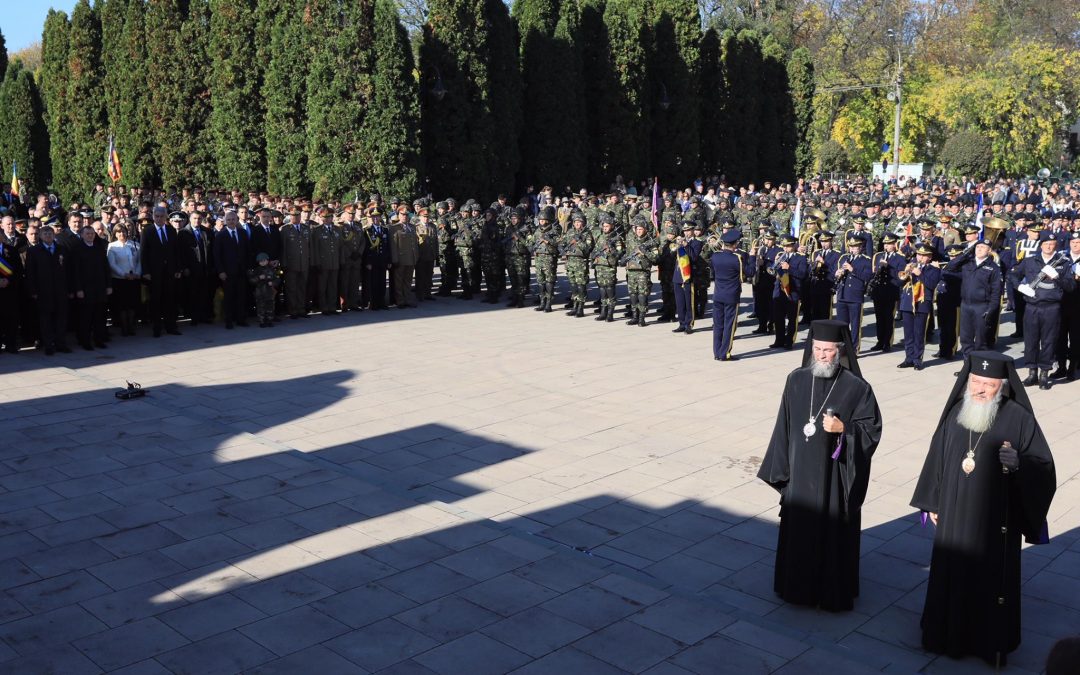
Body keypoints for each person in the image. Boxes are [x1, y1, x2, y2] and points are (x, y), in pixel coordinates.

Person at [911, 352, 1056, 667]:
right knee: (951, 572)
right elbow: (939, 453)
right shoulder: (957, 413)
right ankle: (943, 634)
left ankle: (986, 642)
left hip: (994, 521)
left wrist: (1020, 464)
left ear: (1002, 387)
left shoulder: (1019, 418)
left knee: (987, 582)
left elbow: (1043, 467)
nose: (978, 389)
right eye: (975, 382)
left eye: (987, 385)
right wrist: (932, 500)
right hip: (953, 512)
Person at [757, 320, 882, 611]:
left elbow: (872, 429)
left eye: (827, 350)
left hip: (833, 481)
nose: (822, 356)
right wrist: (782, 471)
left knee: (830, 533)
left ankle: (829, 592)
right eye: (817, 349)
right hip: (800, 475)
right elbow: (783, 426)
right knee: (799, 531)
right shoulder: (797, 379)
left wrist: (844, 429)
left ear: (840, 351)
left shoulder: (857, 388)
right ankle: (795, 587)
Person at [1010, 231, 1074, 389]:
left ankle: (1044, 374)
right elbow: (1013, 275)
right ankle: (1032, 373)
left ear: (1056, 246)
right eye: (1046, 244)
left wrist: (1057, 277)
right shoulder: (1030, 260)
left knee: (1049, 342)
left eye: (1052, 244)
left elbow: (1071, 286)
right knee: (1031, 341)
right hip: (1032, 306)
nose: (1049, 246)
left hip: (1052, 308)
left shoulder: (1063, 263)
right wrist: (1020, 287)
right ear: (1041, 245)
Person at [946, 236, 1003, 356]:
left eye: (983, 247)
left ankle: (977, 370)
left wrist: (991, 310)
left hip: (982, 307)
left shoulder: (993, 268)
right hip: (966, 305)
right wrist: (966, 254)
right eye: (977, 247)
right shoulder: (967, 263)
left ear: (989, 251)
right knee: (966, 339)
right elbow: (950, 266)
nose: (979, 249)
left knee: (981, 341)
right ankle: (967, 367)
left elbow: (996, 292)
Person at [24, 225, 72, 354]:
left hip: (60, 290)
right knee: (46, 320)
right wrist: (33, 291)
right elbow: (30, 273)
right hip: (43, 291)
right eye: (45, 234)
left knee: (61, 319)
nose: (48, 236)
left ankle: (61, 343)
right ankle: (48, 345)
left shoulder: (61, 249)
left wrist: (70, 289)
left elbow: (68, 271)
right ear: (40, 236)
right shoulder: (34, 251)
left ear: (54, 235)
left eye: (50, 233)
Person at [897, 244, 943, 370]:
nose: (920, 257)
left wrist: (920, 274)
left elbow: (932, 284)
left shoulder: (934, 270)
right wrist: (906, 271)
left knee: (919, 333)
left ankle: (917, 360)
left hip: (922, 304)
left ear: (929, 257)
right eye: (919, 254)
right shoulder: (911, 266)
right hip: (907, 303)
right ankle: (908, 358)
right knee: (908, 334)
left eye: (924, 255)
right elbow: (899, 282)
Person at [141, 206, 182, 337]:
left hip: (170, 272)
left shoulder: (171, 230)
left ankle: (171, 326)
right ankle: (156, 328)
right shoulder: (147, 231)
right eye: (156, 216)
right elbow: (143, 253)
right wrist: (146, 271)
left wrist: (177, 269)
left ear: (166, 217)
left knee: (170, 299)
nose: (159, 219)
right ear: (153, 217)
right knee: (156, 301)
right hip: (154, 273)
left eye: (161, 216)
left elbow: (176, 252)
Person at [70, 224, 112, 350]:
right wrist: (78, 289)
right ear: (82, 235)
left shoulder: (99, 248)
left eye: (92, 234)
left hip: (100, 289)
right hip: (85, 289)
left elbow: (106, 268)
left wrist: (108, 285)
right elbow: (75, 272)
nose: (90, 236)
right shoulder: (77, 249)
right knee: (85, 318)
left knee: (99, 316)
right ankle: (85, 341)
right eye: (87, 234)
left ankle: (99, 340)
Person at [709, 228, 746, 360]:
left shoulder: (715, 256)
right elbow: (746, 275)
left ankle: (717, 352)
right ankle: (724, 353)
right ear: (735, 244)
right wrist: (753, 258)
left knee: (718, 324)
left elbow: (713, 273)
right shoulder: (737, 259)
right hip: (731, 296)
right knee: (729, 325)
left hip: (718, 294)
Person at [213, 211, 250, 329]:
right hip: (228, 272)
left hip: (242, 271)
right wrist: (221, 271)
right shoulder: (220, 235)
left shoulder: (243, 233)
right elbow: (217, 255)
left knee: (241, 296)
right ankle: (228, 320)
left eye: (233, 219)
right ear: (225, 221)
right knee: (229, 297)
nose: (231, 221)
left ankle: (241, 319)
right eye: (228, 220)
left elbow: (247, 251)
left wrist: (248, 268)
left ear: (237, 220)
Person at [868, 233, 905, 352]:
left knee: (888, 318)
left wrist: (888, 267)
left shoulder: (900, 258)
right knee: (879, 318)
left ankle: (887, 342)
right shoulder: (879, 256)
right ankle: (880, 341)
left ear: (894, 245)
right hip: (879, 291)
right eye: (885, 244)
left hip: (890, 291)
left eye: (889, 244)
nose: (886, 246)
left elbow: (901, 276)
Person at [770, 234, 807, 349]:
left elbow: (802, 274)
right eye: (784, 246)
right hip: (779, 290)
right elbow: (774, 272)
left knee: (792, 318)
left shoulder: (801, 258)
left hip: (793, 291)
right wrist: (775, 264)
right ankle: (779, 340)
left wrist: (789, 268)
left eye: (788, 246)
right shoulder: (781, 255)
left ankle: (789, 341)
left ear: (794, 245)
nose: (785, 249)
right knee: (778, 317)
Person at [621, 218, 658, 327]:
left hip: (643, 272)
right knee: (633, 294)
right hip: (631, 271)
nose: (639, 231)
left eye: (641, 229)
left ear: (645, 230)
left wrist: (645, 251)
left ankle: (642, 317)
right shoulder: (631, 240)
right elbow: (627, 254)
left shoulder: (651, 242)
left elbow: (656, 259)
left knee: (642, 295)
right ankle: (634, 316)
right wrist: (623, 259)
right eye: (637, 229)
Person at [106, 223, 141, 336]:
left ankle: (131, 326)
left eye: (124, 231)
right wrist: (124, 274)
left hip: (134, 279)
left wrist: (137, 273)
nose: (122, 234)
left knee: (132, 304)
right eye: (119, 232)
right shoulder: (112, 246)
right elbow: (112, 264)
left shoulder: (135, 244)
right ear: (115, 234)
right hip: (120, 280)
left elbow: (140, 261)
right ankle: (124, 327)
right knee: (122, 305)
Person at [589, 214, 623, 322]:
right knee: (602, 290)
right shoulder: (600, 236)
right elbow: (595, 249)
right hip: (600, 266)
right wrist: (593, 255)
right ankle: (603, 311)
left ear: (612, 226)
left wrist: (611, 250)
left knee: (609, 290)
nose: (605, 228)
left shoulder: (616, 238)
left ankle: (610, 313)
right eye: (604, 226)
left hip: (609, 266)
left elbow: (619, 253)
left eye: (607, 226)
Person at [672, 223, 700, 334]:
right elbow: (671, 253)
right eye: (685, 231)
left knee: (689, 302)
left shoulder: (697, 243)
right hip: (678, 275)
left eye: (688, 230)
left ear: (693, 230)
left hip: (688, 276)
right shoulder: (678, 242)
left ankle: (689, 324)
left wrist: (685, 245)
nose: (686, 233)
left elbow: (693, 257)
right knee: (679, 302)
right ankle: (681, 323)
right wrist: (677, 244)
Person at [249, 253, 281, 328]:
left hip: (270, 293)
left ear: (267, 261)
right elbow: (251, 281)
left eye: (264, 260)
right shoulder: (256, 270)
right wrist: (259, 278)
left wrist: (272, 283)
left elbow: (277, 280)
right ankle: (262, 321)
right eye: (260, 261)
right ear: (258, 262)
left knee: (270, 307)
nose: (263, 262)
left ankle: (270, 320)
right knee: (261, 307)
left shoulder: (272, 270)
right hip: (260, 293)